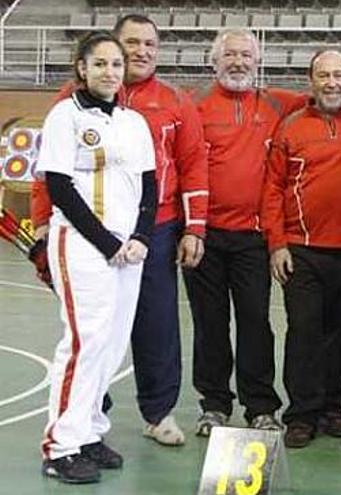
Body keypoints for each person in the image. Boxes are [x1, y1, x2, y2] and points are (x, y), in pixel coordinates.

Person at [30, 14, 208, 446]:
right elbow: (50, 177)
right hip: (87, 237)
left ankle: (157, 412)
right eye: (130, 43)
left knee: (156, 324)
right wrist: (40, 227)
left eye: (149, 44)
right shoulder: (67, 107)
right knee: (91, 333)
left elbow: (190, 164)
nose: (139, 52)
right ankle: (80, 426)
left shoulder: (173, 102)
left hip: (153, 231)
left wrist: (192, 227)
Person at [188, 29, 341, 436]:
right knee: (210, 325)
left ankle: (263, 407)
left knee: (258, 323)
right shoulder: (194, 105)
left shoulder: (278, 104)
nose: (238, 62)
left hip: (257, 238)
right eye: (230, 55)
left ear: (258, 61)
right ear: (214, 60)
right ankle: (215, 404)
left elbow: (334, 98)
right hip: (207, 235)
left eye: (246, 55)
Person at [37, 31, 157, 484]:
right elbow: (61, 189)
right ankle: (60, 445)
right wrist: (109, 244)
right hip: (84, 247)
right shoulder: (63, 117)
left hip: (131, 250)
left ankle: (89, 431)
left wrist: (141, 236)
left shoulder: (133, 122)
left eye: (117, 65)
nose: (110, 72)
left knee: (110, 344)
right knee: (84, 344)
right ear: (82, 68)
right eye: (101, 64)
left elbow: (149, 185)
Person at [261, 50, 341, 448]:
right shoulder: (291, 126)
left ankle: (332, 408)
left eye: (339, 75)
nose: (331, 83)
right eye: (323, 75)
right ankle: (301, 415)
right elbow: (272, 189)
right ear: (311, 81)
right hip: (302, 250)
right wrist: (277, 244)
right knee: (304, 333)